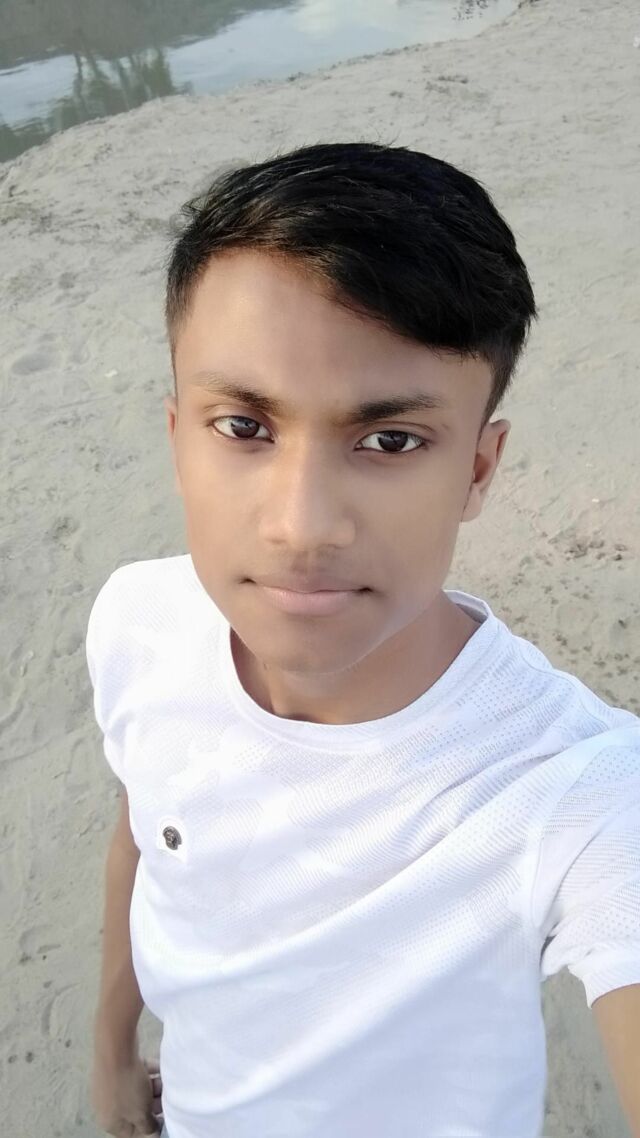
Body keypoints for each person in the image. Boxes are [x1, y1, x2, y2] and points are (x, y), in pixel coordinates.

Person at [86, 142, 640, 1138]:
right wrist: (112, 1048)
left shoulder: (577, 788)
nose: (302, 526)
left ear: (477, 470)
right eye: (243, 427)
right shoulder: (140, 620)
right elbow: (145, 820)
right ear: (176, 438)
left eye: (389, 440)